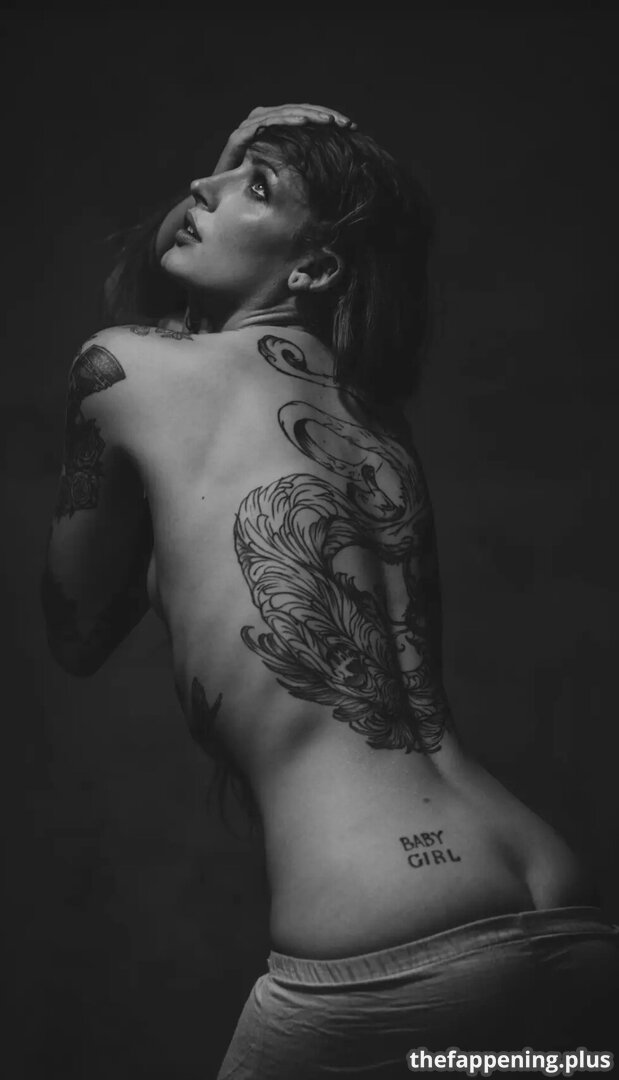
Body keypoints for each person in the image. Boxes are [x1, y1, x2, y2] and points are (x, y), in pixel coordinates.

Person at [42, 104, 618, 1077]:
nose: (204, 189)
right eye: (220, 174)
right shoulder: (373, 419)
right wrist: (244, 182)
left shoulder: (125, 370)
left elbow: (77, 631)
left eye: (253, 186)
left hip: (390, 941)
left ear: (313, 268)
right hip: (561, 910)